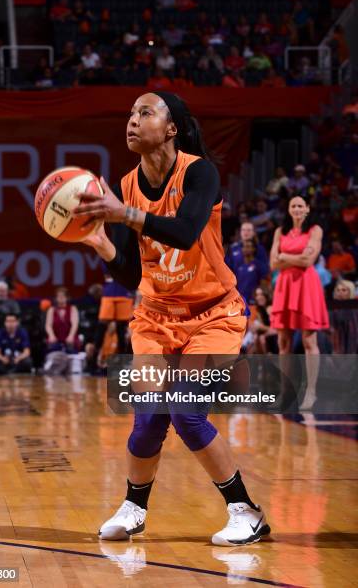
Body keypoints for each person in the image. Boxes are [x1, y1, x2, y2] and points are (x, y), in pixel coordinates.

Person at [72, 91, 270, 546]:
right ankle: (134, 508)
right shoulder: (125, 184)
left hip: (212, 315)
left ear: (171, 127)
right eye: (130, 114)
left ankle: (246, 511)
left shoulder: (199, 172)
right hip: (156, 317)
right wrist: (102, 243)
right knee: (147, 420)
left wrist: (126, 214)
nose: (133, 120)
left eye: (145, 112)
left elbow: (183, 233)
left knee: (186, 411)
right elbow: (131, 271)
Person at [270, 195, 329, 410]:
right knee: (283, 343)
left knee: (309, 342)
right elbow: (272, 262)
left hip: (306, 286)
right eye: (293, 205)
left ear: (307, 209)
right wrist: (287, 258)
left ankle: (311, 392)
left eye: (300, 206)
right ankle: (286, 392)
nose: (296, 209)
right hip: (285, 287)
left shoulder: (315, 230)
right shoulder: (280, 231)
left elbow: (308, 260)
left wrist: (284, 256)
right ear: (288, 209)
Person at [45, 287, 80, 352]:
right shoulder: (51, 310)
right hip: (55, 337)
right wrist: (51, 335)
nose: (61, 298)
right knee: (51, 347)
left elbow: (75, 324)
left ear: (67, 298)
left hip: (70, 337)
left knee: (71, 348)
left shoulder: (73, 308)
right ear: (56, 298)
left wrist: (71, 336)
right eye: (59, 296)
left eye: (63, 296)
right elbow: (48, 325)